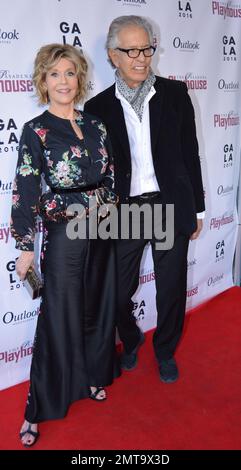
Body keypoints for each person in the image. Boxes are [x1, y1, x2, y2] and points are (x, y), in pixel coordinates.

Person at [84, 15, 205, 384]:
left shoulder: (174, 94)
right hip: (126, 210)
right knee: (117, 291)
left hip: (169, 206)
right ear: (112, 56)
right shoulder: (97, 107)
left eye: (147, 48)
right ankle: (133, 338)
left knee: (170, 288)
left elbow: (189, 152)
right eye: (130, 50)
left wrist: (197, 209)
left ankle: (165, 350)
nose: (141, 58)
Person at [11, 43, 119, 447]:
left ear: (79, 79)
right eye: (54, 74)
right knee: (58, 315)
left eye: (69, 73)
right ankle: (37, 407)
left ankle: (91, 375)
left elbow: (109, 176)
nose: (63, 81)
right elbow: (24, 189)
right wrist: (24, 246)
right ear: (43, 80)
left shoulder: (96, 126)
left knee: (96, 306)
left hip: (105, 229)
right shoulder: (36, 130)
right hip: (65, 234)